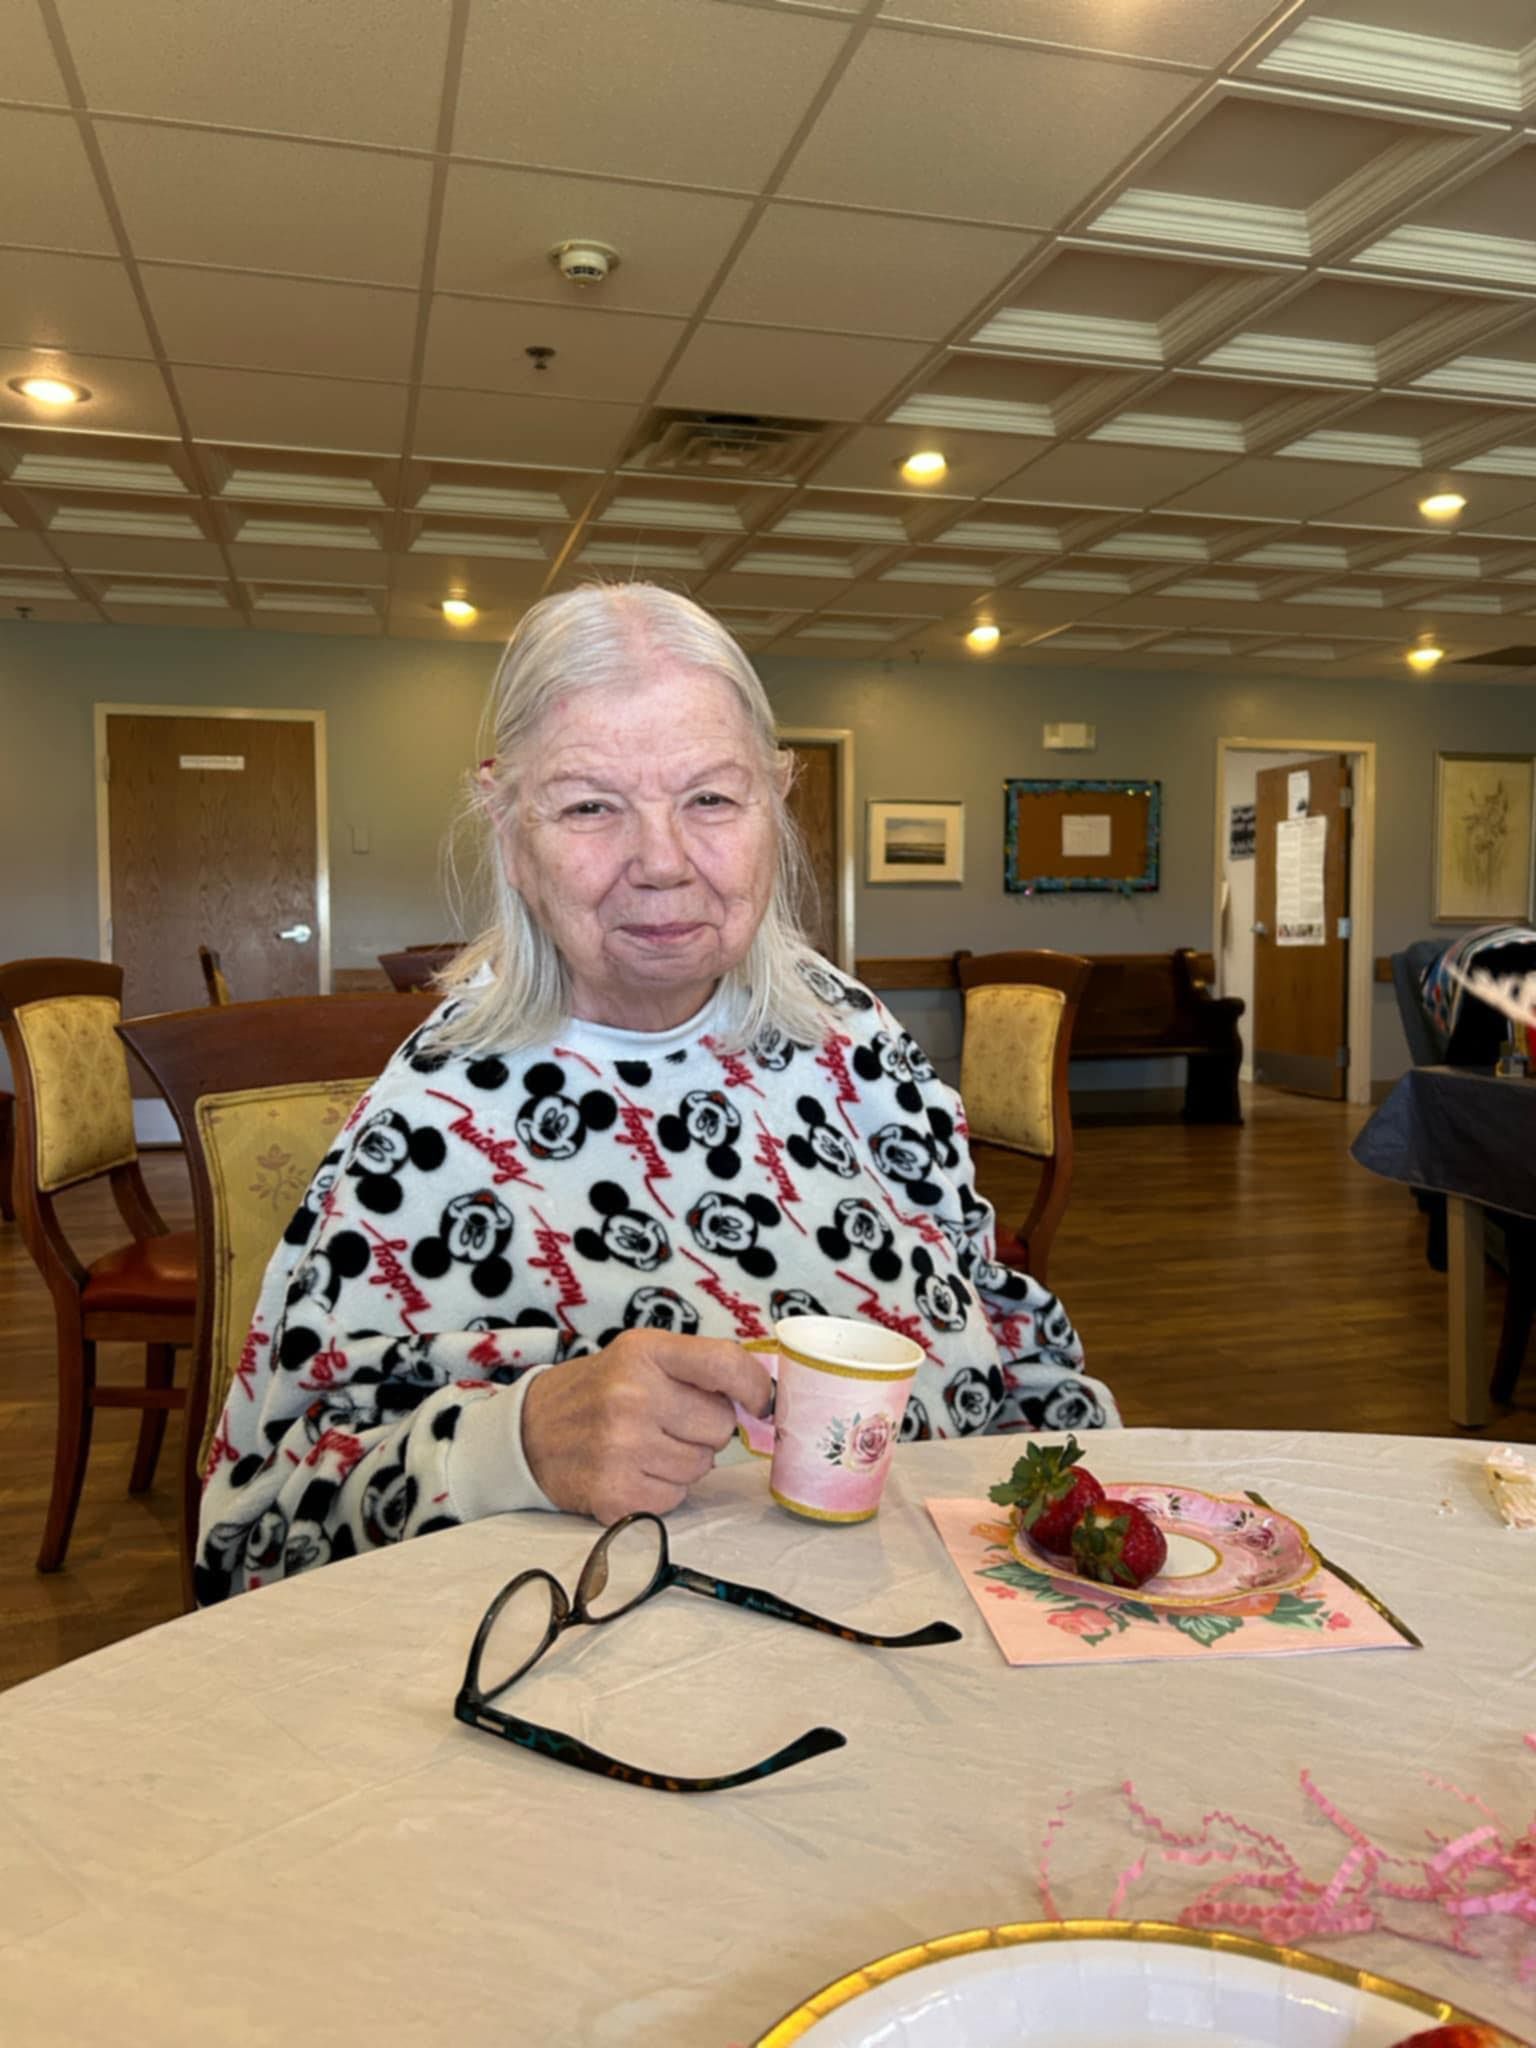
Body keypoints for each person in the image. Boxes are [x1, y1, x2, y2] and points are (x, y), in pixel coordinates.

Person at [196, 584, 1118, 1602]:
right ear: (509, 828)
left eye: (711, 799)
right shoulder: (430, 1122)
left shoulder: (859, 1044)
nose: (664, 863)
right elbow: (252, 1538)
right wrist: (520, 1440)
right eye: (591, 805)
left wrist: (1101, 1521)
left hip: (932, 1626)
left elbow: (1001, 1324)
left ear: (776, 802)